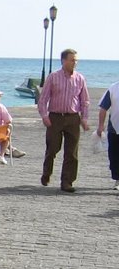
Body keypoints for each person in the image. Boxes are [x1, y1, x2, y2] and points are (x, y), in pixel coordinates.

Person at [38, 48, 89, 192]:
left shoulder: (79, 78)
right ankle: (46, 173)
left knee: (72, 152)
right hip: (55, 117)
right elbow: (43, 99)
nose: (75, 63)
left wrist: (84, 118)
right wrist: (44, 116)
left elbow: (84, 100)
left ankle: (67, 182)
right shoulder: (53, 77)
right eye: (72, 60)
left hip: (73, 118)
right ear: (63, 60)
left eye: (76, 60)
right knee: (53, 148)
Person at [96, 79, 119, 190]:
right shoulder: (113, 88)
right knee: (114, 156)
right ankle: (117, 179)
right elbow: (103, 108)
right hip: (114, 129)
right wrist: (101, 126)